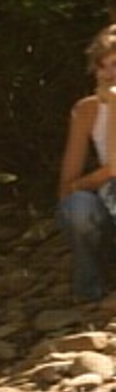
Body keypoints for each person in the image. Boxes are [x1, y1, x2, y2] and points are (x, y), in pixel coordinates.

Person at [57, 24, 116, 303]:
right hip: (110, 206)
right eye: (101, 66)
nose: (107, 74)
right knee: (77, 206)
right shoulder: (86, 110)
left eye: (115, 64)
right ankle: (91, 290)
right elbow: (67, 189)